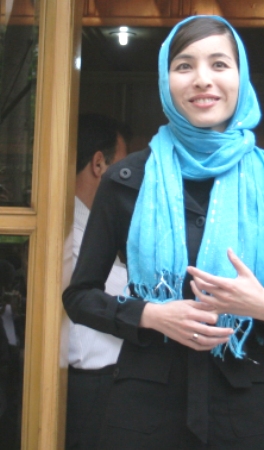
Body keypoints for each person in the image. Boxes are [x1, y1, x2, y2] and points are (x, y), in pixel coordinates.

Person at [63, 16, 264, 450]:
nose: (202, 79)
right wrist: (150, 315)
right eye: (184, 65)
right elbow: (79, 296)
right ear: (166, 81)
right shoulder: (128, 179)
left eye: (219, 64)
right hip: (143, 414)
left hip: (243, 414)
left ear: (241, 76)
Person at [65, 113, 131, 449]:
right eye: (124, 167)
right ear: (98, 164)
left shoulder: (89, 226)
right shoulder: (69, 235)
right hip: (92, 387)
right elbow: (128, 299)